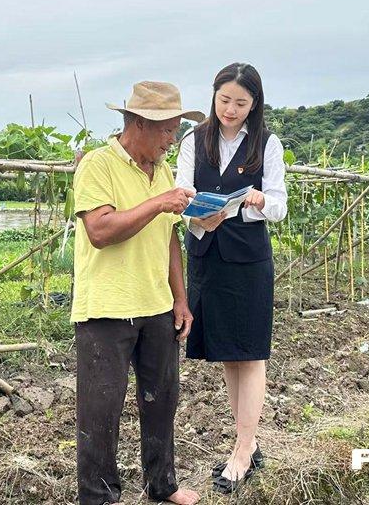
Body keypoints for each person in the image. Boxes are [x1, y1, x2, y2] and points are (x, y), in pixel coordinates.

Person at [72, 81, 205, 505]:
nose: (172, 140)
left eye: (174, 130)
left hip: (157, 305)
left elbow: (169, 240)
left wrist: (179, 299)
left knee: (162, 400)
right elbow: (100, 231)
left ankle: (162, 485)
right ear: (138, 124)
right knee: (101, 412)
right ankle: (98, 497)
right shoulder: (98, 165)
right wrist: (158, 203)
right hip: (106, 309)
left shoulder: (162, 172)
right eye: (166, 130)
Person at [175, 63, 288, 494]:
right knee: (227, 352)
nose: (231, 110)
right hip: (208, 255)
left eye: (241, 103)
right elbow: (182, 193)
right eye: (225, 100)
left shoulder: (267, 143)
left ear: (254, 104)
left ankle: (242, 452)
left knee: (251, 352)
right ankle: (249, 441)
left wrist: (256, 200)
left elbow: (278, 206)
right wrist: (202, 214)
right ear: (214, 95)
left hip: (248, 260)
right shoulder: (193, 140)